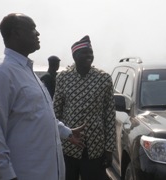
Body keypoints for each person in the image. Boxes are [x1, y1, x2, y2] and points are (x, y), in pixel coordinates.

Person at [0, 13, 84, 180]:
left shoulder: (26, 70)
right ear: (16, 33)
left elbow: (38, 115)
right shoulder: (1, 73)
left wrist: (67, 132)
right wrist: (6, 175)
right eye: (32, 29)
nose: (38, 33)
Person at [53, 35, 116, 180]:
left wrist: (109, 149)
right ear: (75, 56)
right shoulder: (63, 78)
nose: (89, 56)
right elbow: (55, 111)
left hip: (95, 147)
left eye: (91, 53)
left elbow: (109, 115)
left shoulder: (103, 78)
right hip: (68, 146)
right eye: (85, 53)